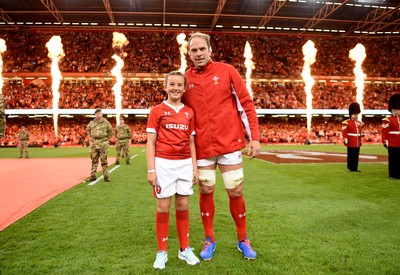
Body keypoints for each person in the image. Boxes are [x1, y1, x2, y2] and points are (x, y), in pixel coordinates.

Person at [183, 32, 261, 261]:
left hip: (229, 144)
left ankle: (243, 239)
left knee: (235, 190)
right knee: (206, 190)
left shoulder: (227, 71)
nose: (197, 53)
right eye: (193, 50)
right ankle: (209, 239)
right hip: (203, 148)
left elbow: (247, 103)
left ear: (210, 50)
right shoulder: (186, 79)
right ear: (189, 53)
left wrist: (254, 137)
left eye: (201, 49)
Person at [146, 71, 200, 270]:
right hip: (163, 164)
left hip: (185, 163)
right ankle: (162, 251)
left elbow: (192, 142)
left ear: (184, 88)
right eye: (172, 84)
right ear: (165, 87)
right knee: (163, 207)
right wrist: (151, 170)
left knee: (183, 206)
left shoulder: (189, 112)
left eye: (179, 85)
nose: (176, 88)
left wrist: (194, 168)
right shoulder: (157, 111)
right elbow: (150, 143)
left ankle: (184, 249)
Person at [86, 108, 113, 182]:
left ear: (102, 114)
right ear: (95, 114)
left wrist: (105, 139)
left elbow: (110, 132)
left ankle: (106, 177)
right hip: (94, 144)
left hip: (103, 144)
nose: (98, 114)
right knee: (94, 161)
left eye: (99, 113)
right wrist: (91, 137)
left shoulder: (106, 122)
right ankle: (93, 176)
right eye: (96, 113)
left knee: (104, 160)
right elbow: (87, 129)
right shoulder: (92, 122)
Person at [382, 94, 400, 179]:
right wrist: (386, 142)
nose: (397, 111)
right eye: (395, 110)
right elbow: (385, 132)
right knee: (393, 160)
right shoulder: (387, 120)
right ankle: (392, 174)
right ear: (391, 110)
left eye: (398, 110)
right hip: (392, 142)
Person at [342, 102, 364, 172]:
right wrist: (345, 140)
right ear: (351, 115)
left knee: (356, 156)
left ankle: (355, 168)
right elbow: (344, 132)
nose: (356, 116)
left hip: (357, 141)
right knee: (351, 155)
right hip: (351, 141)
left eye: (356, 114)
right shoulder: (346, 122)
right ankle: (350, 168)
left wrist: (360, 140)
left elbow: (360, 133)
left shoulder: (359, 123)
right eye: (354, 114)